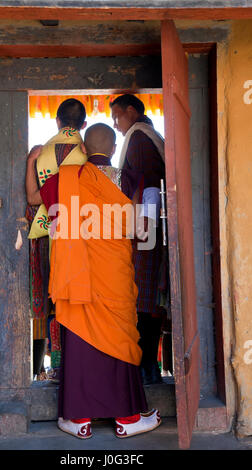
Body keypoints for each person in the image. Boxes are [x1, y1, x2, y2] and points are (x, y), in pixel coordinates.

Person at [26, 123, 161, 439]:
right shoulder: (129, 180)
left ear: (83, 149)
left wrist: (33, 161)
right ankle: (127, 419)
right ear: (114, 150)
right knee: (120, 341)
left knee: (81, 343)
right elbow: (143, 226)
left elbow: (34, 198)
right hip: (114, 275)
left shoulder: (67, 179)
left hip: (78, 276)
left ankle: (78, 420)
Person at [25, 98, 87, 382]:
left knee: (55, 304)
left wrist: (30, 162)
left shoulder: (42, 153)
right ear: (83, 125)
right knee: (83, 305)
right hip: (88, 239)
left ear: (57, 122)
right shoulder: (89, 155)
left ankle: (55, 368)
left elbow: (33, 200)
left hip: (52, 238)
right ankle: (80, 368)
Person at [110, 94, 167, 385]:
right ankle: (147, 366)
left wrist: (144, 225)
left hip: (148, 229)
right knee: (147, 295)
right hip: (150, 228)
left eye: (117, 117)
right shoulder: (146, 134)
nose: (116, 125)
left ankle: (146, 366)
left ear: (131, 112)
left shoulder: (140, 139)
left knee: (144, 296)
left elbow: (150, 185)